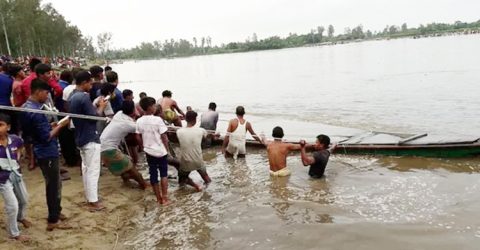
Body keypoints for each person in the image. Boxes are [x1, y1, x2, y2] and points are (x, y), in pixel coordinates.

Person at [20, 79, 72, 231]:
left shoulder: (27, 107)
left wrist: (51, 126)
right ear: (37, 92)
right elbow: (46, 137)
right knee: (53, 185)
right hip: (46, 151)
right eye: (46, 93)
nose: (47, 96)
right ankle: (53, 219)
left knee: (56, 183)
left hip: (41, 148)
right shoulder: (36, 111)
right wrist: (61, 126)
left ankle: (57, 210)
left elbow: (36, 131)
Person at [68, 70, 107, 211]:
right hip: (90, 136)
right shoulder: (83, 97)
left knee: (86, 169)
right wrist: (101, 107)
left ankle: (91, 197)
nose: (91, 86)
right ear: (84, 83)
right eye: (90, 83)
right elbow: (95, 117)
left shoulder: (73, 96)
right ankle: (93, 201)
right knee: (93, 170)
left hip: (80, 136)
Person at [100, 100, 148, 189]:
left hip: (103, 146)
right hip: (109, 149)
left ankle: (126, 182)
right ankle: (144, 186)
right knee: (132, 169)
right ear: (133, 110)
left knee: (126, 164)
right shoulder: (128, 125)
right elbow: (143, 129)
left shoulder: (119, 114)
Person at [0, 113, 31, 241]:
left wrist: (17, 158)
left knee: (24, 199)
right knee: (12, 205)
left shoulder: (15, 139)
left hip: (16, 174)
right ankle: (14, 233)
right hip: (2, 178)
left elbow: (21, 146)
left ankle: (20, 217)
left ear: (8, 127)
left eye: (0, 125)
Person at [136, 97, 171, 205]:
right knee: (164, 174)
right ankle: (165, 197)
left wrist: (143, 146)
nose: (156, 107)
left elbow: (138, 136)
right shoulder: (157, 120)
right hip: (160, 151)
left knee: (153, 174)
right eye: (154, 105)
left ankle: (158, 198)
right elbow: (164, 137)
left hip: (149, 151)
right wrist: (167, 150)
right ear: (150, 107)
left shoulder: (139, 120)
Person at [177, 111, 212, 191]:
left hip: (186, 161)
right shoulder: (201, 130)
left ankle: (190, 188)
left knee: (181, 180)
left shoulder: (179, 131)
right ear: (195, 120)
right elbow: (204, 140)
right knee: (206, 178)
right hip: (198, 160)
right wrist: (213, 136)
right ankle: (208, 190)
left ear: (185, 119)